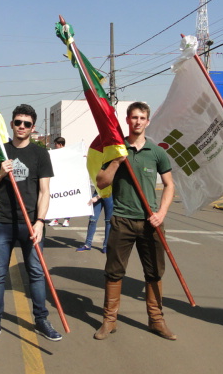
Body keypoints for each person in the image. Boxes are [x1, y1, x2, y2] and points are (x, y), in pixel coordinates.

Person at [0, 104, 62, 345]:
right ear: (12, 124)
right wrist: (1, 173)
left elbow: (45, 191)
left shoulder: (40, 154)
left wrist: (40, 222)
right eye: (18, 122)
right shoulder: (0, 151)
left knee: (36, 273)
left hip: (31, 224)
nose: (21, 126)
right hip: (3, 222)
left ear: (33, 127)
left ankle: (41, 319)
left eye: (26, 123)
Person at [94, 101, 176, 341]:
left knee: (154, 272)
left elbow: (169, 185)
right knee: (114, 272)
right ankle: (109, 320)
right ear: (127, 120)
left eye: (142, 118)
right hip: (122, 220)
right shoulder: (116, 150)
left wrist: (161, 213)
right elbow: (101, 181)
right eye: (133, 117)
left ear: (147, 122)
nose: (137, 122)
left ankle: (156, 320)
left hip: (151, 222)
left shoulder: (157, 152)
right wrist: (117, 162)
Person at [48, 137, 70, 227]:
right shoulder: (55, 153)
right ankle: (56, 218)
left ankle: (67, 219)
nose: (55, 146)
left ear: (60, 144)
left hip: (67, 180)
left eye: (56, 144)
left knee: (66, 200)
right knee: (57, 199)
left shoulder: (68, 153)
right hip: (57, 180)